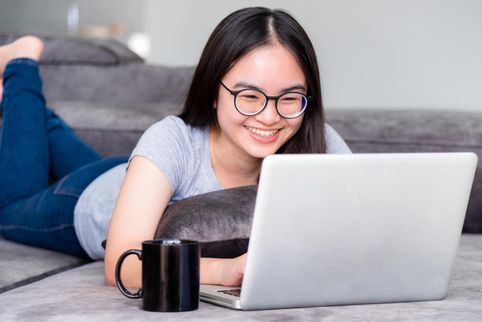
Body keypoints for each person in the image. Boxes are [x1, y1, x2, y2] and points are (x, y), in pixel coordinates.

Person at [0, 7, 351, 290]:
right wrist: (222, 271)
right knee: (10, 208)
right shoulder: (171, 138)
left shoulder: (317, 140)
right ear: (214, 93)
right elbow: (123, 265)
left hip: (137, 173)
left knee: (52, 138)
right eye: (248, 96)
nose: (270, 116)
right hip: (87, 199)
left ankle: (33, 115)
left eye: (289, 98)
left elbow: (362, 223)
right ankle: (21, 64)